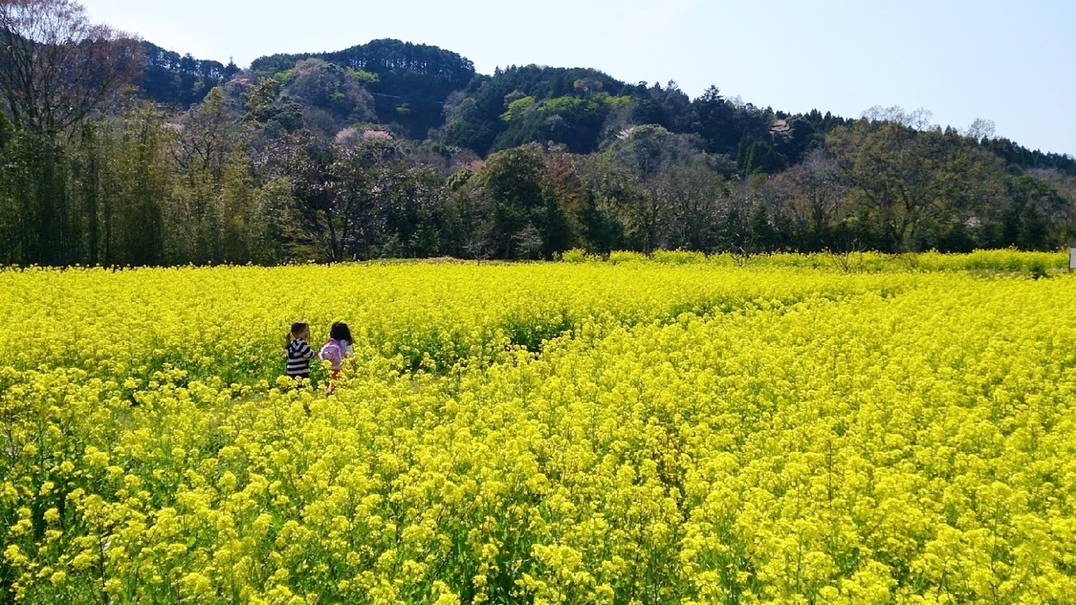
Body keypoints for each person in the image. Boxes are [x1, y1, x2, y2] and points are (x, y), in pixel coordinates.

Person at [320, 321, 354, 394]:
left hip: (333, 368)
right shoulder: (345, 343)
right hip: (343, 369)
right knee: (342, 386)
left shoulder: (331, 342)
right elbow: (351, 356)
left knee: (334, 382)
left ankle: (329, 393)